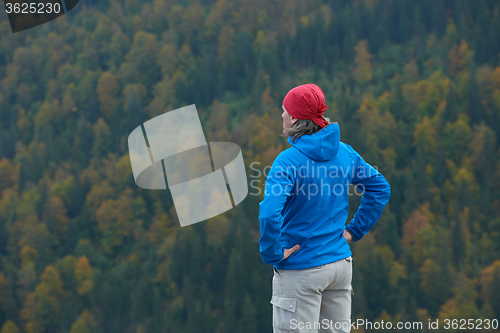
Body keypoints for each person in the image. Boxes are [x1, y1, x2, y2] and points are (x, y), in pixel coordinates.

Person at [258, 84, 391, 333]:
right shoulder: (344, 153)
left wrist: (273, 254)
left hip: (301, 269)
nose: (282, 116)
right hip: (340, 265)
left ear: (296, 117)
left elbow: (268, 213)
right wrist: (354, 231)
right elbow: (380, 188)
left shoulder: (287, 161)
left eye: (284, 110)